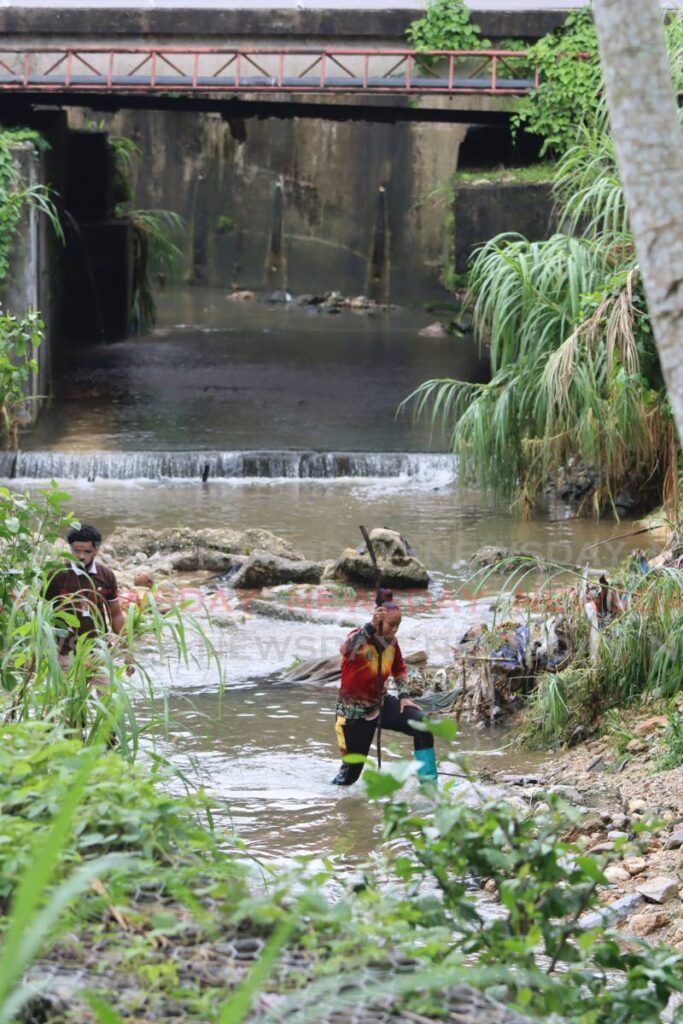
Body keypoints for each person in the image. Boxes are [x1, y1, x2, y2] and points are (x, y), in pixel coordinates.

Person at [332, 592, 437, 785]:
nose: (395, 630)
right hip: (354, 714)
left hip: (381, 704)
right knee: (350, 777)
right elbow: (345, 650)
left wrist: (404, 695)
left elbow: (399, 670)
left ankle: (429, 787)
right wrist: (370, 627)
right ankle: (336, 802)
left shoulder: (392, 644)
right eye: (391, 624)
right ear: (378, 621)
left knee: (423, 724)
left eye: (398, 625)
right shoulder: (360, 638)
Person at [45, 523, 125, 667]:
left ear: (96, 550)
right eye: (76, 551)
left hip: (99, 649)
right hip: (65, 651)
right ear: (70, 549)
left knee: (107, 688)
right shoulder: (58, 575)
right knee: (69, 690)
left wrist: (126, 647)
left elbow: (116, 614)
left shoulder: (106, 576)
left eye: (87, 552)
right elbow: (42, 611)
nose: (81, 556)